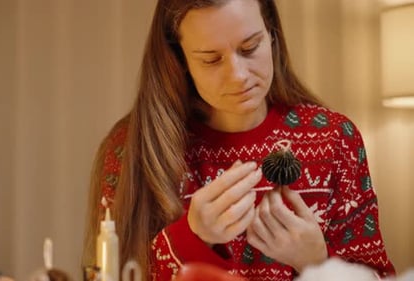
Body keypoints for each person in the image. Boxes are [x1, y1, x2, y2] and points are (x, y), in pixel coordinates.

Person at [82, 0, 396, 280]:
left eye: (250, 48)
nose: (238, 76)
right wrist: (191, 238)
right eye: (211, 59)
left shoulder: (334, 140)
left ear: (271, 35)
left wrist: (316, 262)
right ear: (179, 60)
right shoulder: (133, 150)